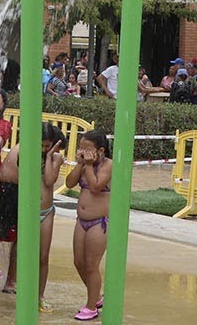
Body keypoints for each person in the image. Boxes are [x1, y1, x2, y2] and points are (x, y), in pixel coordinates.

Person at [0, 123, 64, 314]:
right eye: (41, 145)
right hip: (27, 210)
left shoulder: (56, 157)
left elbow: (49, 181)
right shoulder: (23, 152)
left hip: (45, 212)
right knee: (20, 247)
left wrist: (50, 156)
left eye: (47, 145)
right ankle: (14, 281)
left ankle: (40, 296)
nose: (44, 148)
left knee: (43, 256)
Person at [66, 130, 111, 321]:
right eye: (81, 148)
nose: (83, 151)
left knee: (92, 265)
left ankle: (91, 306)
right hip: (81, 220)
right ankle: (96, 296)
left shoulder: (108, 166)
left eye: (87, 149)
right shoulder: (84, 164)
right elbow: (69, 183)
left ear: (100, 150)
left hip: (98, 223)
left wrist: (90, 165)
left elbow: (96, 187)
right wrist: (80, 164)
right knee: (79, 262)